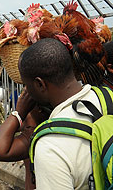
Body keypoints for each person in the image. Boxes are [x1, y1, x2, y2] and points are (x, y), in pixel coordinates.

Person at [17, 38, 101, 189]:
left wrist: (18, 113)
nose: (26, 91)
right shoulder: (106, 97)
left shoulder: (50, 145)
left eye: (26, 85)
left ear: (39, 84)